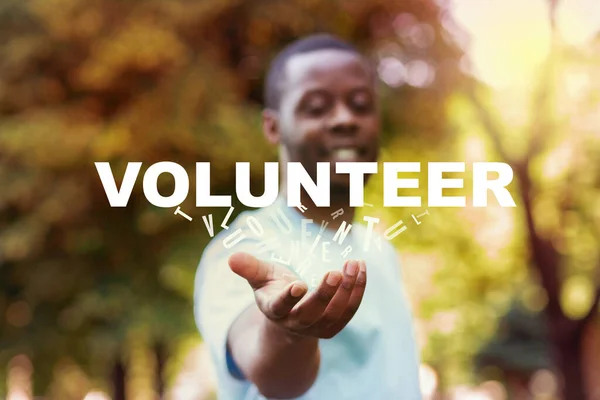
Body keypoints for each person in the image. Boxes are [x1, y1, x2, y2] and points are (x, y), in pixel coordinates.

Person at [194, 33, 422, 400]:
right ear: (273, 126)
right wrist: (287, 333)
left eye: (361, 104)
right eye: (316, 107)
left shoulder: (380, 250)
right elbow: (271, 374)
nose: (345, 119)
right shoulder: (242, 251)